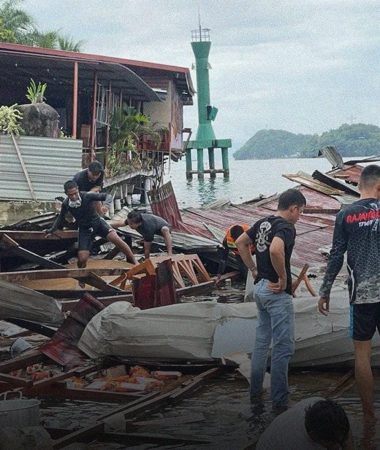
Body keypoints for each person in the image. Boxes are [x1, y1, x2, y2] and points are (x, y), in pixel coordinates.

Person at [318, 164, 380, 422]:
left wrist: (324, 290)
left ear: (359, 185)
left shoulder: (345, 215)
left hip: (361, 295)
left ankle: (368, 417)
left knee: (362, 356)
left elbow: (335, 256)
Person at [236, 188, 306, 412]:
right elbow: (276, 250)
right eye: (301, 212)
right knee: (283, 348)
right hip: (276, 293)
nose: (300, 217)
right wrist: (284, 278)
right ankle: (280, 402)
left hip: (260, 289)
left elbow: (240, 242)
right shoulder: (286, 227)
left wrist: (254, 270)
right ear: (293, 208)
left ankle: (255, 394)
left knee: (261, 344)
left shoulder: (263, 222)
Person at [46, 180, 136, 283]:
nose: (74, 197)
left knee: (117, 240)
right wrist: (51, 230)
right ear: (66, 194)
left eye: (75, 193)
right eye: (71, 195)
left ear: (78, 190)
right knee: (82, 258)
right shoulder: (66, 204)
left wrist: (105, 205)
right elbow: (61, 217)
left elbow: (108, 196)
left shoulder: (87, 196)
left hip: (98, 224)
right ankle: (81, 276)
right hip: (85, 229)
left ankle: (135, 262)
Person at [256, 397, 353, 450]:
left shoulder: (318, 402)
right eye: (331, 443)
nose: (337, 446)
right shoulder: (299, 445)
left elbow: (345, 432)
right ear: (313, 435)